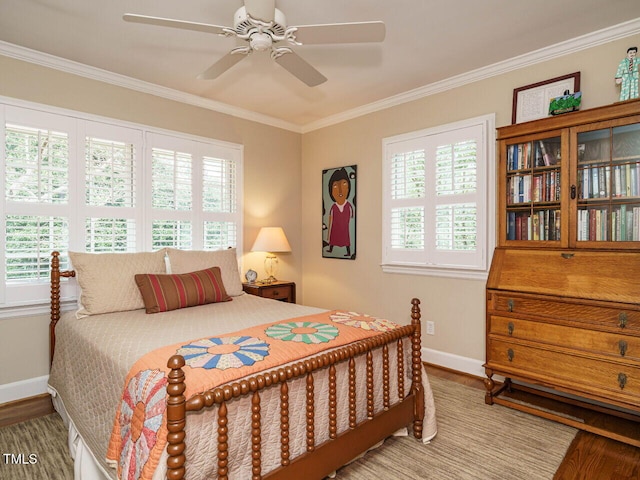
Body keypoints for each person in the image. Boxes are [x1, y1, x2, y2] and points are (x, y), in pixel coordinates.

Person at [325, 168, 354, 257]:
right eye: (335, 186)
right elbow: (330, 218)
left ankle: (348, 251)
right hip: (335, 228)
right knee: (333, 238)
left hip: (344, 229)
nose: (340, 190)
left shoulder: (348, 205)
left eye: (344, 184)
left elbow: (352, 215)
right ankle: (331, 248)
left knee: (346, 239)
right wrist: (328, 234)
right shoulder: (333, 207)